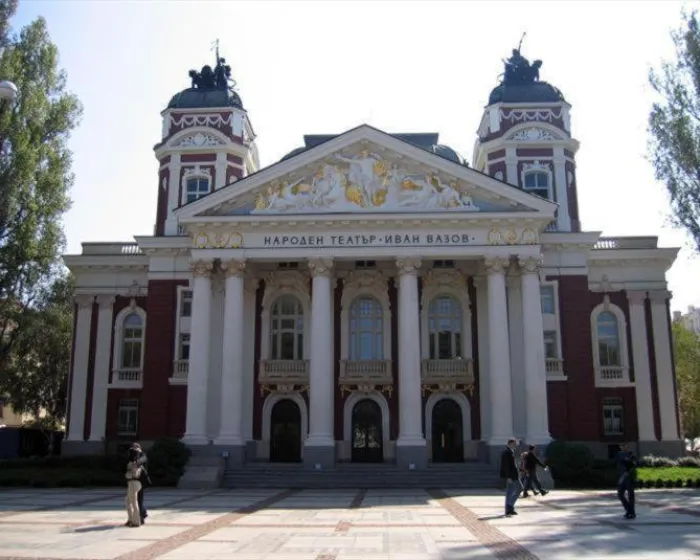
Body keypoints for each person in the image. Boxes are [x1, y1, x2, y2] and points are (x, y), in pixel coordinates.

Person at [500, 438, 521, 517]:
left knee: (510, 492)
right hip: (511, 476)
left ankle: (509, 509)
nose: (516, 445)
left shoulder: (511, 452)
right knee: (519, 489)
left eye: (516, 444)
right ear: (510, 444)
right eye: (514, 444)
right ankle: (509, 506)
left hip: (514, 475)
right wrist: (508, 477)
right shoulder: (506, 452)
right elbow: (505, 466)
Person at [129, 443, 150, 524]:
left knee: (139, 499)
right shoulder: (132, 456)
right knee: (134, 500)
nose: (134, 450)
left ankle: (140, 517)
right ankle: (143, 513)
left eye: (135, 448)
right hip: (133, 481)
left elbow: (138, 462)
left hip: (141, 481)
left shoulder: (143, 455)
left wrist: (137, 453)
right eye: (133, 448)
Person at [616, 443, 637, 519]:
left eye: (624, 445)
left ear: (627, 446)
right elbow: (617, 463)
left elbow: (636, 464)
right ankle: (629, 510)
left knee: (630, 495)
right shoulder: (619, 454)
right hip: (622, 477)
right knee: (620, 494)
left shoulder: (631, 454)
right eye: (621, 446)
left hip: (629, 477)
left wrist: (630, 470)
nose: (623, 447)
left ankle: (631, 512)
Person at [124, 449, 142, 527]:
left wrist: (130, 469)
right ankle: (130, 519)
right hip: (132, 483)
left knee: (134, 503)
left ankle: (136, 521)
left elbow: (132, 474)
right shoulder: (136, 462)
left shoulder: (134, 463)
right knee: (128, 502)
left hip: (134, 483)